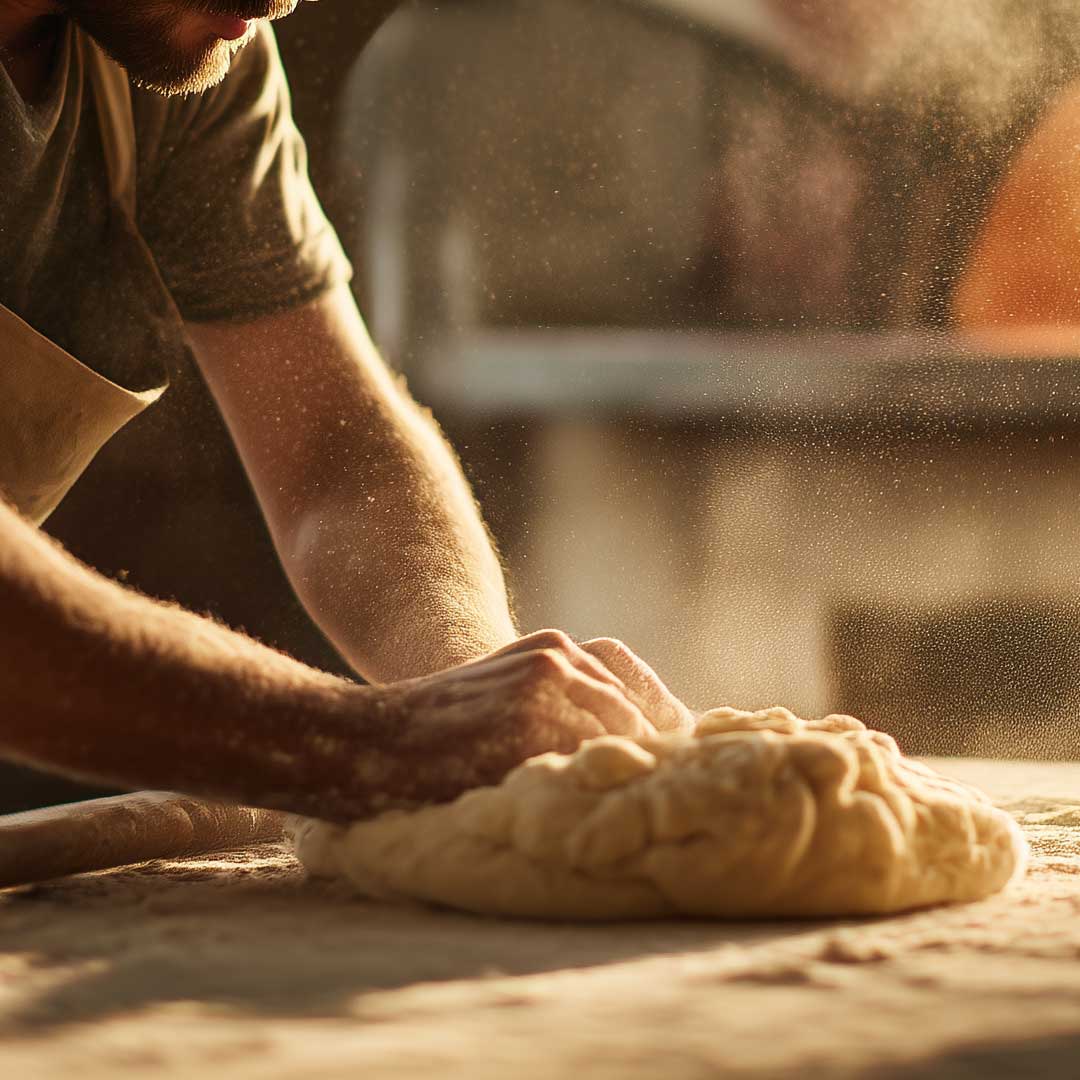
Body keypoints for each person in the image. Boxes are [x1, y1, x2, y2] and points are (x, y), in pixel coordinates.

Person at [0, 0, 695, 823]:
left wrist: (466, 679)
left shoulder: (184, 54)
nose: (277, 3)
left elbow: (333, 450)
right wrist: (353, 739)